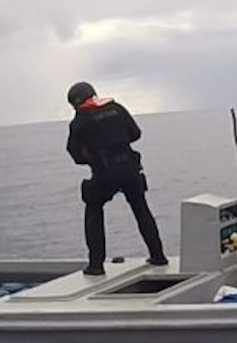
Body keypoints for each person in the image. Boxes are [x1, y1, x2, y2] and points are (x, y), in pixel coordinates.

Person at [65, 80, 167, 275]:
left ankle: (96, 265)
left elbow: (75, 154)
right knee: (140, 208)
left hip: (104, 173)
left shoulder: (79, 121)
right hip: (130, 168)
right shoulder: (116, 108)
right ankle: (158, 256)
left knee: (94, 209)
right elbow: (135, 134)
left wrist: (94, 157)